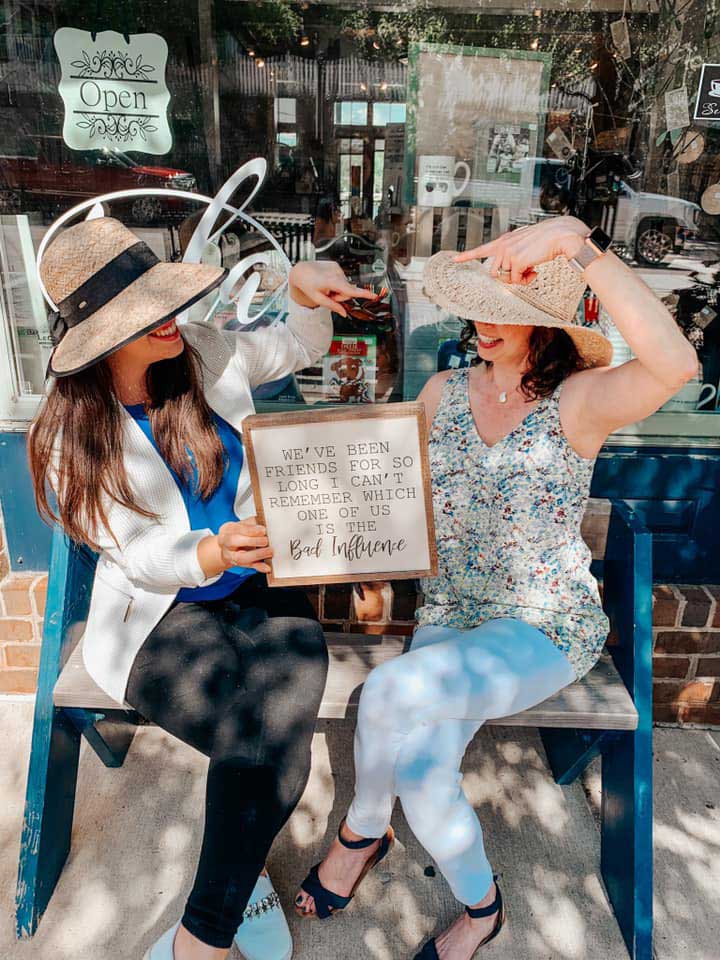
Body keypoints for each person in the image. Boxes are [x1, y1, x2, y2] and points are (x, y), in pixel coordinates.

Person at [294, 215, 698, 959]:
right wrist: (291, 528)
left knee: (386, 696)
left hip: (542, 621)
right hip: (452, 610)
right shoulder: (445, 388)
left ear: (546, 325)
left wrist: (579, 244)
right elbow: (378, 485)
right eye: (481, 304)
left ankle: (360, 831)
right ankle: (482, 907)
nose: (484, 321)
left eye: (506, 312)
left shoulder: (581, 401)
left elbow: (676, 366)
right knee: (421, 768)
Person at [28, 214, 376, 960]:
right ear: (101, 337)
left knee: (279, 737)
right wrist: (211, 551)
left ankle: (203, 926)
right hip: (158, 617)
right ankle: (209, 933)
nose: (170, 319)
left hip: (260, 582)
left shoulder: (204, 351)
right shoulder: (71, 435)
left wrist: (305, 292)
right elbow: (138, 554)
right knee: (260, 749)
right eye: (145, 312)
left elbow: (297, 345)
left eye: (165, 299)